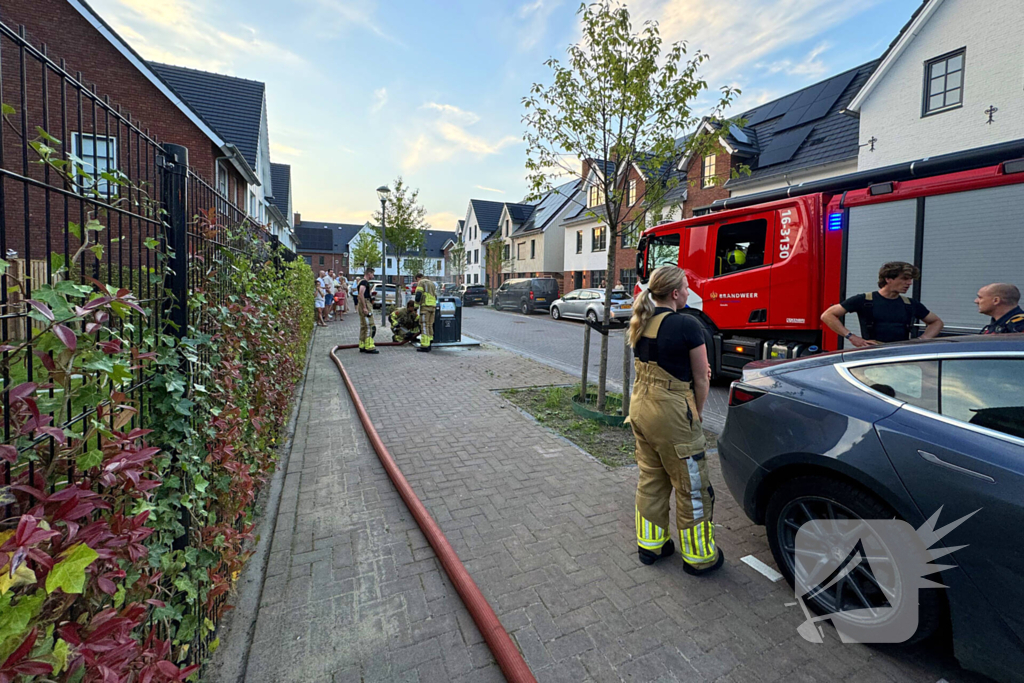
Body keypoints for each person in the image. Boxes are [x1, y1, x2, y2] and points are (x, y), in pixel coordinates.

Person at [627, 265, 721, 575]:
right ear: (675, 293)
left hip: (640, 408)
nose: (689, 292)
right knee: (692, 486)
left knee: (652, 479)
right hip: (672, 415)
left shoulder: (641, 320)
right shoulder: (687, 325)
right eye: (686, 287)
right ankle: (699, 558)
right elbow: (702, 378)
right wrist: (697, 413)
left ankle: (651, 546)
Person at [821, 261, 943, 347]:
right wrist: (851, 337)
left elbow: (936, 322)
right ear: (888, 279)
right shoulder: (864, 300)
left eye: (910, 279)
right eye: (904, 278)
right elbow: (828, 315)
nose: (909, 283)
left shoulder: (910, 304)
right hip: (873, 354)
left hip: (901, 354)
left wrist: (922, 339)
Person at [413, 272, 438, 352]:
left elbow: (418, 295)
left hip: (425, 306)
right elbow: (436, 295)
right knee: (430, 325)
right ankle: (430, 341)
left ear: (418, 278)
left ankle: (424, 345)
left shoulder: (421, 282)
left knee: (424, 325)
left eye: (417, 280)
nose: (417, 282)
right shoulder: (432, 283)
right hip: (433, 306)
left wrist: (416, 306)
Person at [357, 267, 378, 354]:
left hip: (364, 303)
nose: (373, 276)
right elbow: (361, 294)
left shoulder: (362, 282)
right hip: (365, 304)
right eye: (372, 274)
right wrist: (365, 307)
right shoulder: (364, 282)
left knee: (364, 326)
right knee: (370, 325)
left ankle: (362, 345)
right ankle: (369, 346)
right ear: (369, 274)